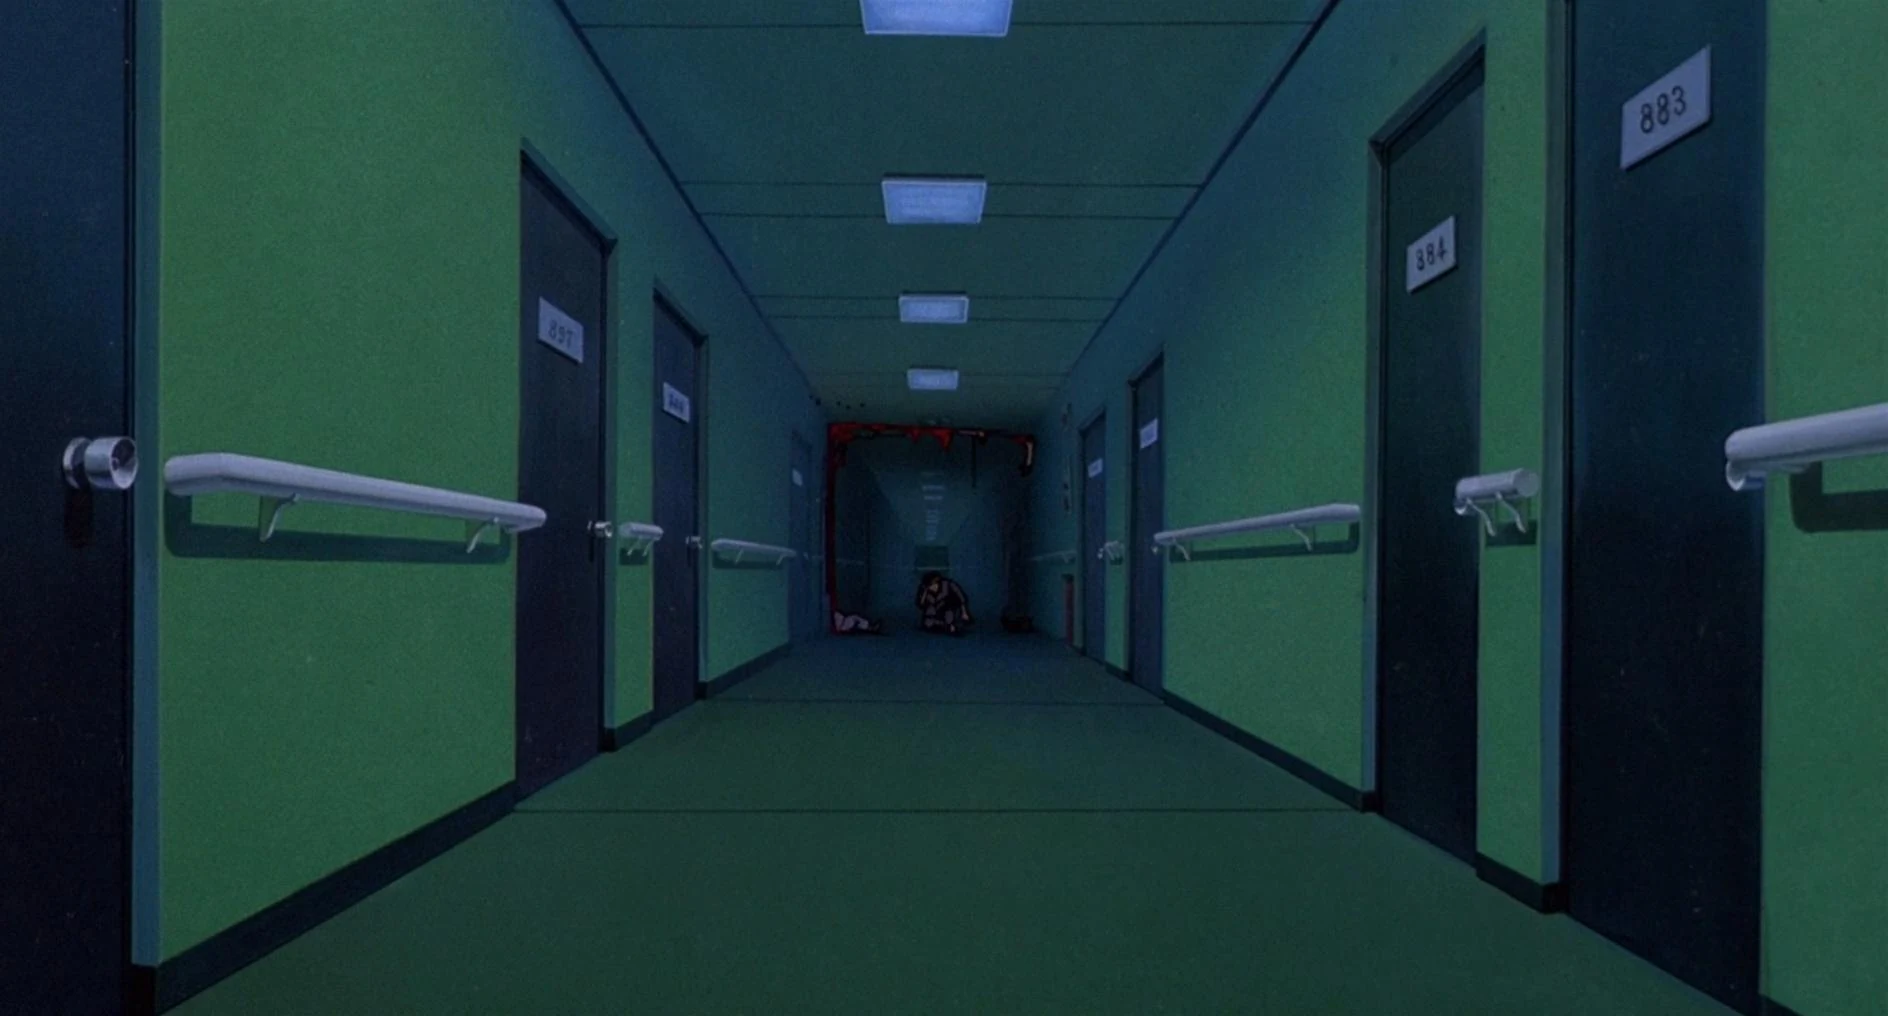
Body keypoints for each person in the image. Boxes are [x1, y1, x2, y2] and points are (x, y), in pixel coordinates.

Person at [916, 571, 973, 636]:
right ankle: (944, 625)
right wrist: (924, 594)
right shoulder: (924, 589)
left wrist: (964, 613)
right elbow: (920, 604)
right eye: (928, 587)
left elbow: (962, 599)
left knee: (949, 615)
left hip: (949, 610)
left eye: (931, 585)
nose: (930, 588)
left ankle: (951, 625)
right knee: (928, 623)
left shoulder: (949, 585)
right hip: (933, 613)